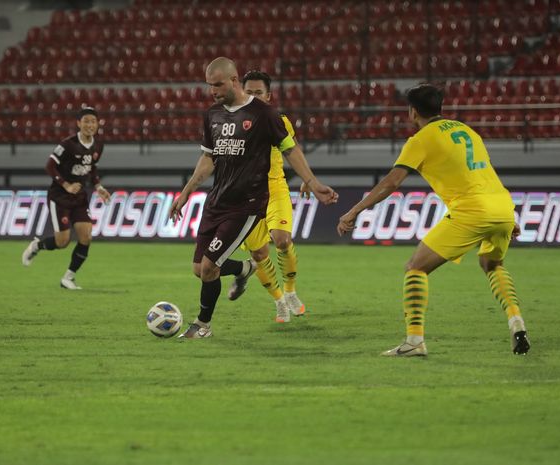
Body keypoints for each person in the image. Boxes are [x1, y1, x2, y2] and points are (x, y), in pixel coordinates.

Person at [337, 83, 530, 356]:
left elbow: (392, 182)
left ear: (412, 112)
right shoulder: (466, 130)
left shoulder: (421, 139)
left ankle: (414, 341)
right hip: (501, 205)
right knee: (492, 263)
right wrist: (508, 218)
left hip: (471, 210)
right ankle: (516, 321)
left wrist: (354, 210)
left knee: (415, 268)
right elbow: (485, 173)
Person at [170, 57, 338, 339]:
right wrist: (187, 191)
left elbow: (290, 149)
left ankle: (202, 325)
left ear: (234, 80)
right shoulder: (213, 115)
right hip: (217, 201)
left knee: (211, 267)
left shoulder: (264, 114)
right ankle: (246, 268)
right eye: (210, 85)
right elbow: (208, 158)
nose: (213, 90)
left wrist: (312, 182)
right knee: (199, 269)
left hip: (246, 204)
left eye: (218, 84)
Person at [226, 70, 308, 324]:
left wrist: (307, 178)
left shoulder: (279, 120)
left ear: (268, 96)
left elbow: (292, 149)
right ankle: (279, 301)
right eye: (248, 92)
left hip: (275, 189)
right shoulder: (228, 122)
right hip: (245, 196)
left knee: (282, 240)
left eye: (258, 93)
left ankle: (291, 291)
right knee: (259, 254)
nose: (253, 97)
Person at [21, 106, 111, 289]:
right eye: (86, 121)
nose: (90, 125)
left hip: (79, 198)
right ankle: (37, 246)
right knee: (62, 241)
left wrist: (98, 186)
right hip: (59, 197)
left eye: (93, 121)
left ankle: (68, 278)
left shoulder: (98, 145)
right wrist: (66, 185)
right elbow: (49, 166)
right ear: (78, 123)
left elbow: (92, 168)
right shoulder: (67, 144)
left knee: (86, 236)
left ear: (98, 124)